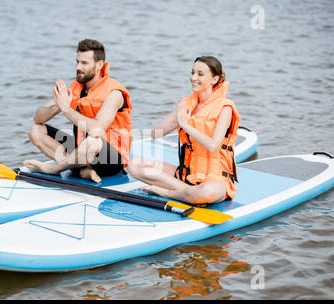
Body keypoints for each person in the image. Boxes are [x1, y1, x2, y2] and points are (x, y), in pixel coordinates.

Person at [127, 56, 240, 205]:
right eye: (192, 72)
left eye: (200, 74)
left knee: (206, 192)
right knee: (134, 165)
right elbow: (156, 133)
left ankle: (167, 192)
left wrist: (185, 124)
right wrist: (177, 121)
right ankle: (188, 192)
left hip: (216, 178)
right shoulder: (187, 104)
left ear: (214, 79)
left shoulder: (226, 108)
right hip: (186, 174)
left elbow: (213, 145)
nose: (193, 78)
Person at [23, 39, 133, 183]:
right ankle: (82, 170)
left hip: (109, 159)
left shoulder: (114, 93)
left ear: (99, 65)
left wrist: (66, 109)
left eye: (84, 63)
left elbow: (97, 130)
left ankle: (55, 169)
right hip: (81, 152)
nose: (78, 67)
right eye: (77, 62)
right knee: (36, 130)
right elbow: (38, 119)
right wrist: (57, 105)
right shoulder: (76, 88)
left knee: (93, 140)